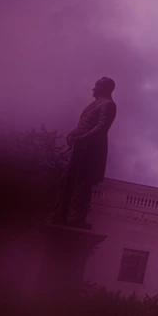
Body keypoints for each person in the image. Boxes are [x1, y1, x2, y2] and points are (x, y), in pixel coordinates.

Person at [51, 77, 117, 228]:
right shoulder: (97, 104)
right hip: (80, 148)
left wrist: (81, 137)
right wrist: (73, 133)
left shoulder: (108, 104)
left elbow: (102, 127)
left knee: (82, 183)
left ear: (105, 88)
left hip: (90, 150)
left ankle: (76, 217)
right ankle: (60, 213)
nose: (93, 89)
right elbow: (86, 125)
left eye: (97, 86)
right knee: (67, 181)